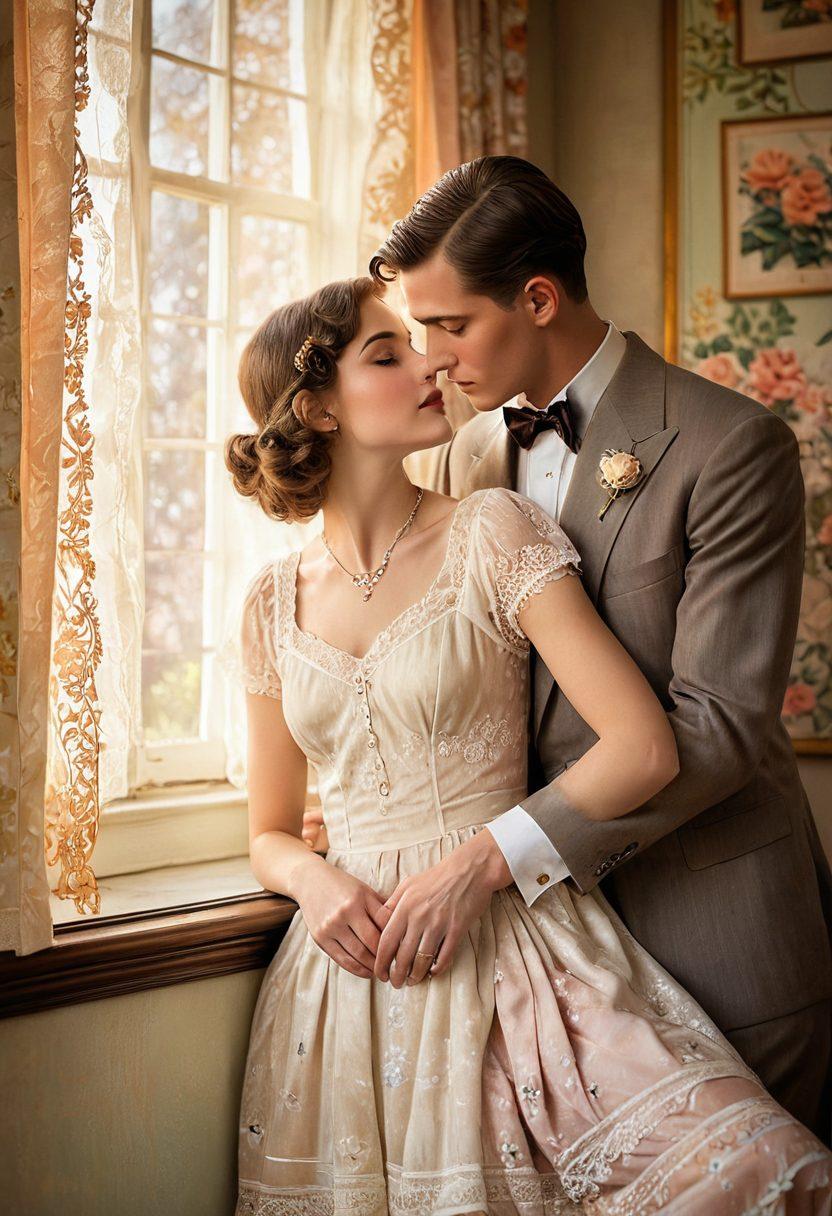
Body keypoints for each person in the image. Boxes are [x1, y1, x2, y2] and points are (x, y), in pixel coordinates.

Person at [220, 273, 831, 1214]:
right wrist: (317, 879)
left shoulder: (492, 529)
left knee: (749, 1171)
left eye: (425, 338)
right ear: (316, 409)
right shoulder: (267, 602)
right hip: (344, 979)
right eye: (387, 355)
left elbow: (643, 743)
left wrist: (477, 864)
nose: (428, 362)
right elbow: (266, 830)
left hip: (512, 934)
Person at [352, 154, 831, 1144]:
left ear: (536, 297)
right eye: (416, 331)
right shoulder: (448, 456)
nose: (432, 359)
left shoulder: (729, 446)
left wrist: (494, 857)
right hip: (532, 973)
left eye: (449, 325)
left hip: (713, 931)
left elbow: (720, 726)